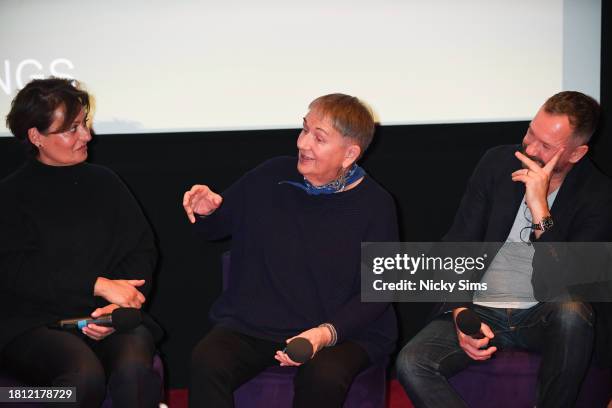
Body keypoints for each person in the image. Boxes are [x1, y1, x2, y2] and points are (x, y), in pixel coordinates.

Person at [395, 91, 612, 408]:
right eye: (530, 133)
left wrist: (540, 207)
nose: (530, 148)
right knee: (412, 363)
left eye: (546, 146)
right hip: (483, 307)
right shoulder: (497, 163)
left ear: (577, 153)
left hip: (544, 314)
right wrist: (459, 309)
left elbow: (568, 278)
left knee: (572, 312)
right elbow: (459, 241)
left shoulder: (599, 195)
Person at [183, 93, 398, 407]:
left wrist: (324, 334)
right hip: (257, 324)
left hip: (344, 331)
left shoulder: (375, 205)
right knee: (207, 361)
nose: (303, 143)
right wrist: (206, 211)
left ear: (349, 153)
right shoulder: (272, 175)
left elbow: (379, 291)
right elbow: (214, 229)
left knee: (322, 376)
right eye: (304, 129)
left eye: (319, 138)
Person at [0, 77, 162, 408]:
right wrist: (96, 284)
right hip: (34, 326)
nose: (87, 136)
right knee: (82, 379)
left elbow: (140, 251)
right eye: (72, 129)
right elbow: (17, 274)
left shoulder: (106, 183)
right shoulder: (10, 196)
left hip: (110, 318)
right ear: (36, 136)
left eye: (84, 124)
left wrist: (117, 308)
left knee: (134, 371)